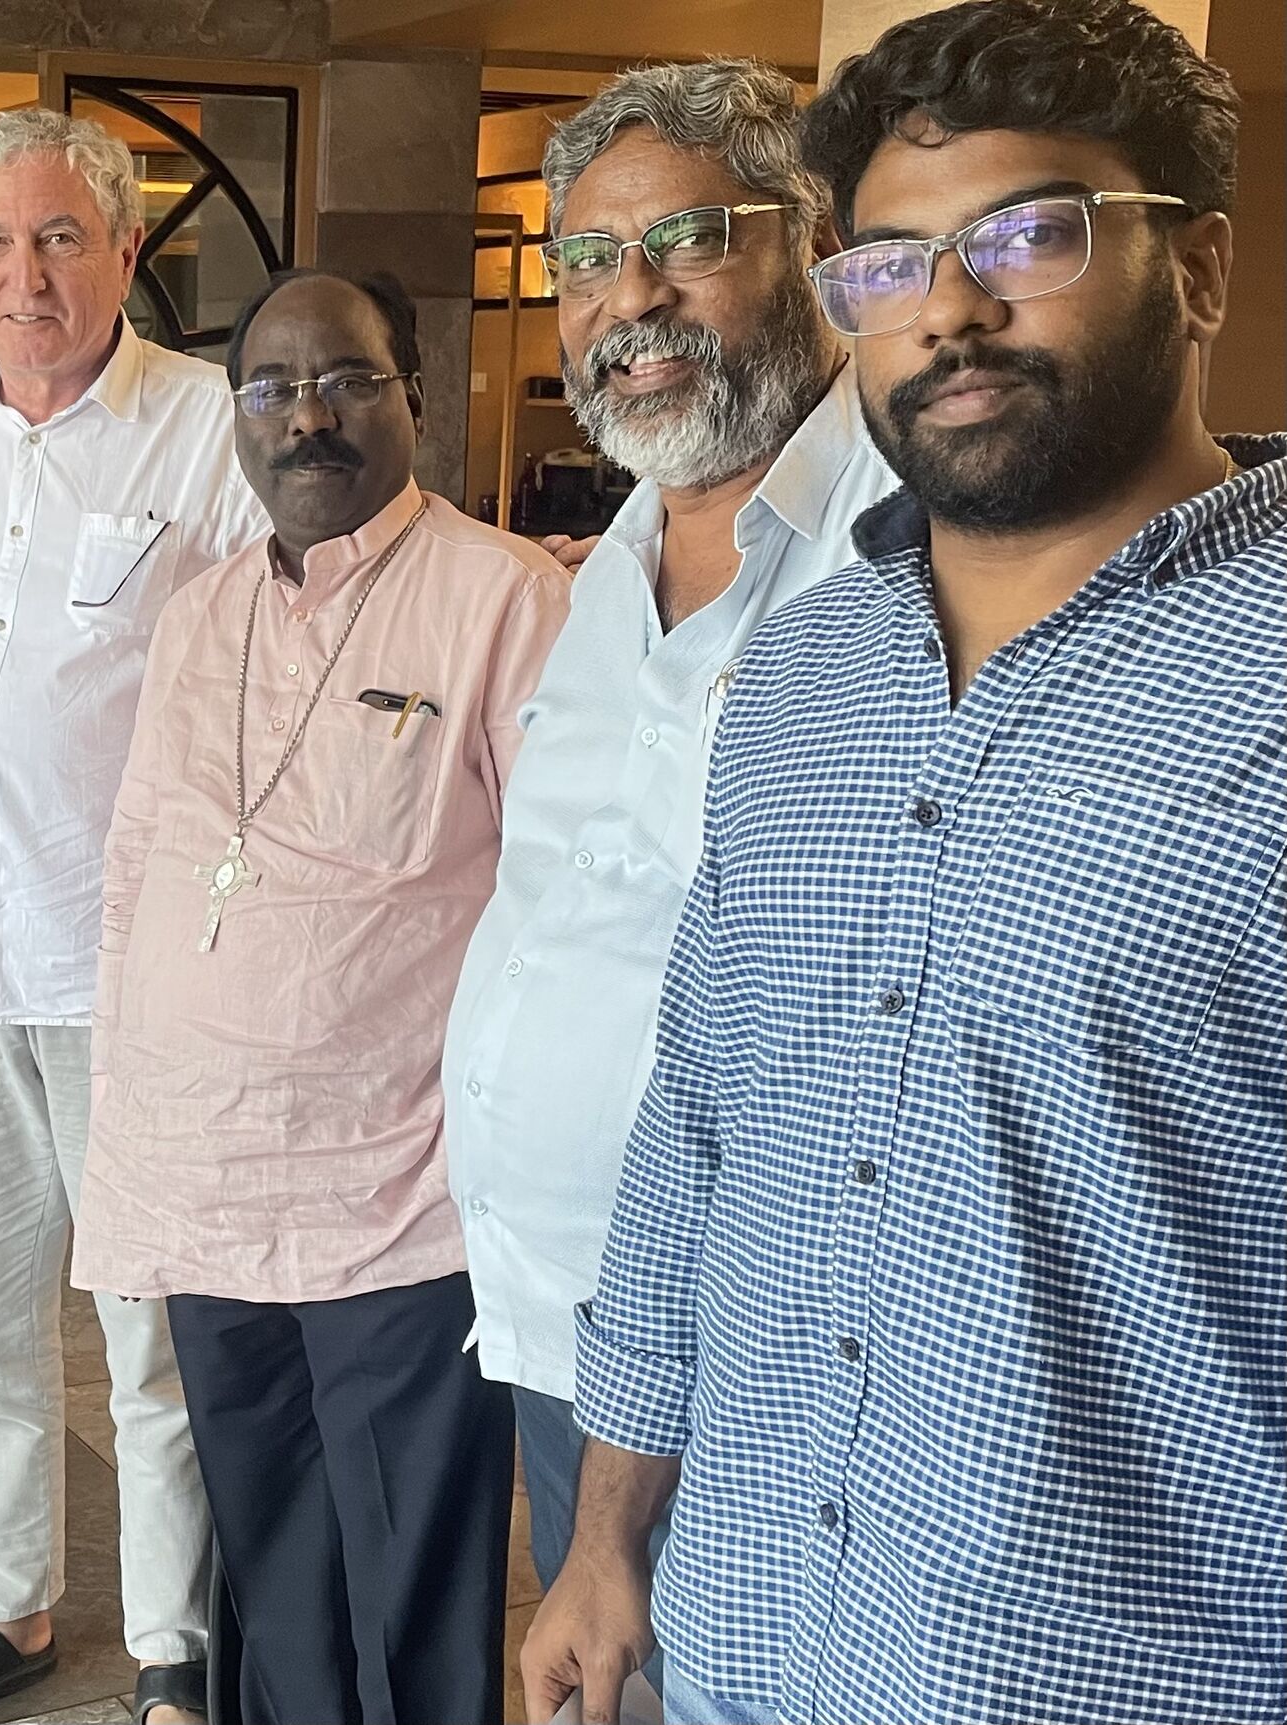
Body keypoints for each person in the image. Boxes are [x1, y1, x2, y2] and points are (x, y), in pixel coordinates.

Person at [522, 4, 1285, 1723]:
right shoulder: (805, 667)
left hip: (1109, 1676)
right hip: (748, 1635)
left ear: (1201, 270)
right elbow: (699, 1118)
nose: (948, 308)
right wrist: (607, 1536)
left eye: (1029, 238)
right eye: (888, 264)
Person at [71, 269, 571, 1725]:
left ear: (413, 393)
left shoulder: (506, 599)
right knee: (274, 1549)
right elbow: (138, 872)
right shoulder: (200, 614)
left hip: (399, 1195)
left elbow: (550, 907)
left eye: (346, 379)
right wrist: (126, 1150)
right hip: (209, 1183)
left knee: (410, 1577)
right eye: (273, 388)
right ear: (235, 417)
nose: (308, 417)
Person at [442, 57, 895, 1608]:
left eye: (688, 240)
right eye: (585, 257)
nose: (628, 298)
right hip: (561, 1309)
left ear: (816, 247)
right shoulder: (605, 571)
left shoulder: (911, 550)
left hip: (782, 1351)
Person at [0, 109, 265, 1725]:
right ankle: (2, 1600)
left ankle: (175, 1636)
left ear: (127, 251)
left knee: (147, 1325)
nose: (25, 275)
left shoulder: (206, 429)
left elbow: (270, 678)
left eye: (59, 238)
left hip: (130, 964)